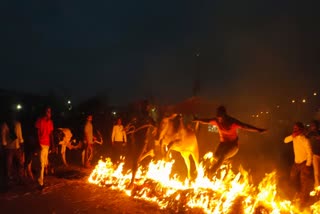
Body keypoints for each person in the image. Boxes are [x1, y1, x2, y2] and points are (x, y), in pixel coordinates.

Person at [193, 105, 267, 175]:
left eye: (220, 117)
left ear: (224, 115)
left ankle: (212, 171)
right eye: (218, 116)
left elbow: (245, 126)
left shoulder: (232, 122)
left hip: (233, 145)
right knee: (216, 156)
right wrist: (197, 119)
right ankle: (226, 161)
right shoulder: (216, 121)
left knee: (223, 155)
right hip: (223, 144)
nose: (219, 119)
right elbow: (207, 120)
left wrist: (258, 130)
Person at [284, 122, 313, 209]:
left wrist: (308, 165)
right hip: (296, 163)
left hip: (304, 163)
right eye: (294, 128)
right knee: (292, 178)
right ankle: (294, 195)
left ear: (301, 129)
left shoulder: (305, 139)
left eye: (296, 129)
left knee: (304, 182)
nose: (294, 130)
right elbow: (285, 140)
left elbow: (309, 153)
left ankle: (303, 201)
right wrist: (293, 136)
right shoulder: (294, 138)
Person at [1, 112, 24, 184]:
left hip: (16, 147)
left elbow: (20, 136)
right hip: (9, 148)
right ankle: (10, 179)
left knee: (19, 163)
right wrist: (4, 146)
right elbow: (3, 137)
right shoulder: (5, 125)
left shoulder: (17, 124)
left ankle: (19, 178)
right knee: (9, 165)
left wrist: (21, 145)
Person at [35, 107, 54, 189]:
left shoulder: (50, 122)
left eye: (50, 112)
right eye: (48, 112)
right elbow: (36, 133)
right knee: (41, 164)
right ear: (45, 112)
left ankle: (40, 180)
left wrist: (53, 145)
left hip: (47, 144)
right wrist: (38, 144)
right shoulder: (39, 121)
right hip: (41, 144)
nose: (50, 113)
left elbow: (51, 134)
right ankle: (40, 183)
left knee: (44, 163)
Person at [306, 120, 320, 188]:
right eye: (312, 125)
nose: (313, 127)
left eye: (314, 125)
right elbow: (305, 137)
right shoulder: (310, 134)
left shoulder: (319, 132)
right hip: (315, 155)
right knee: (316, 172)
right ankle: (317, 187)